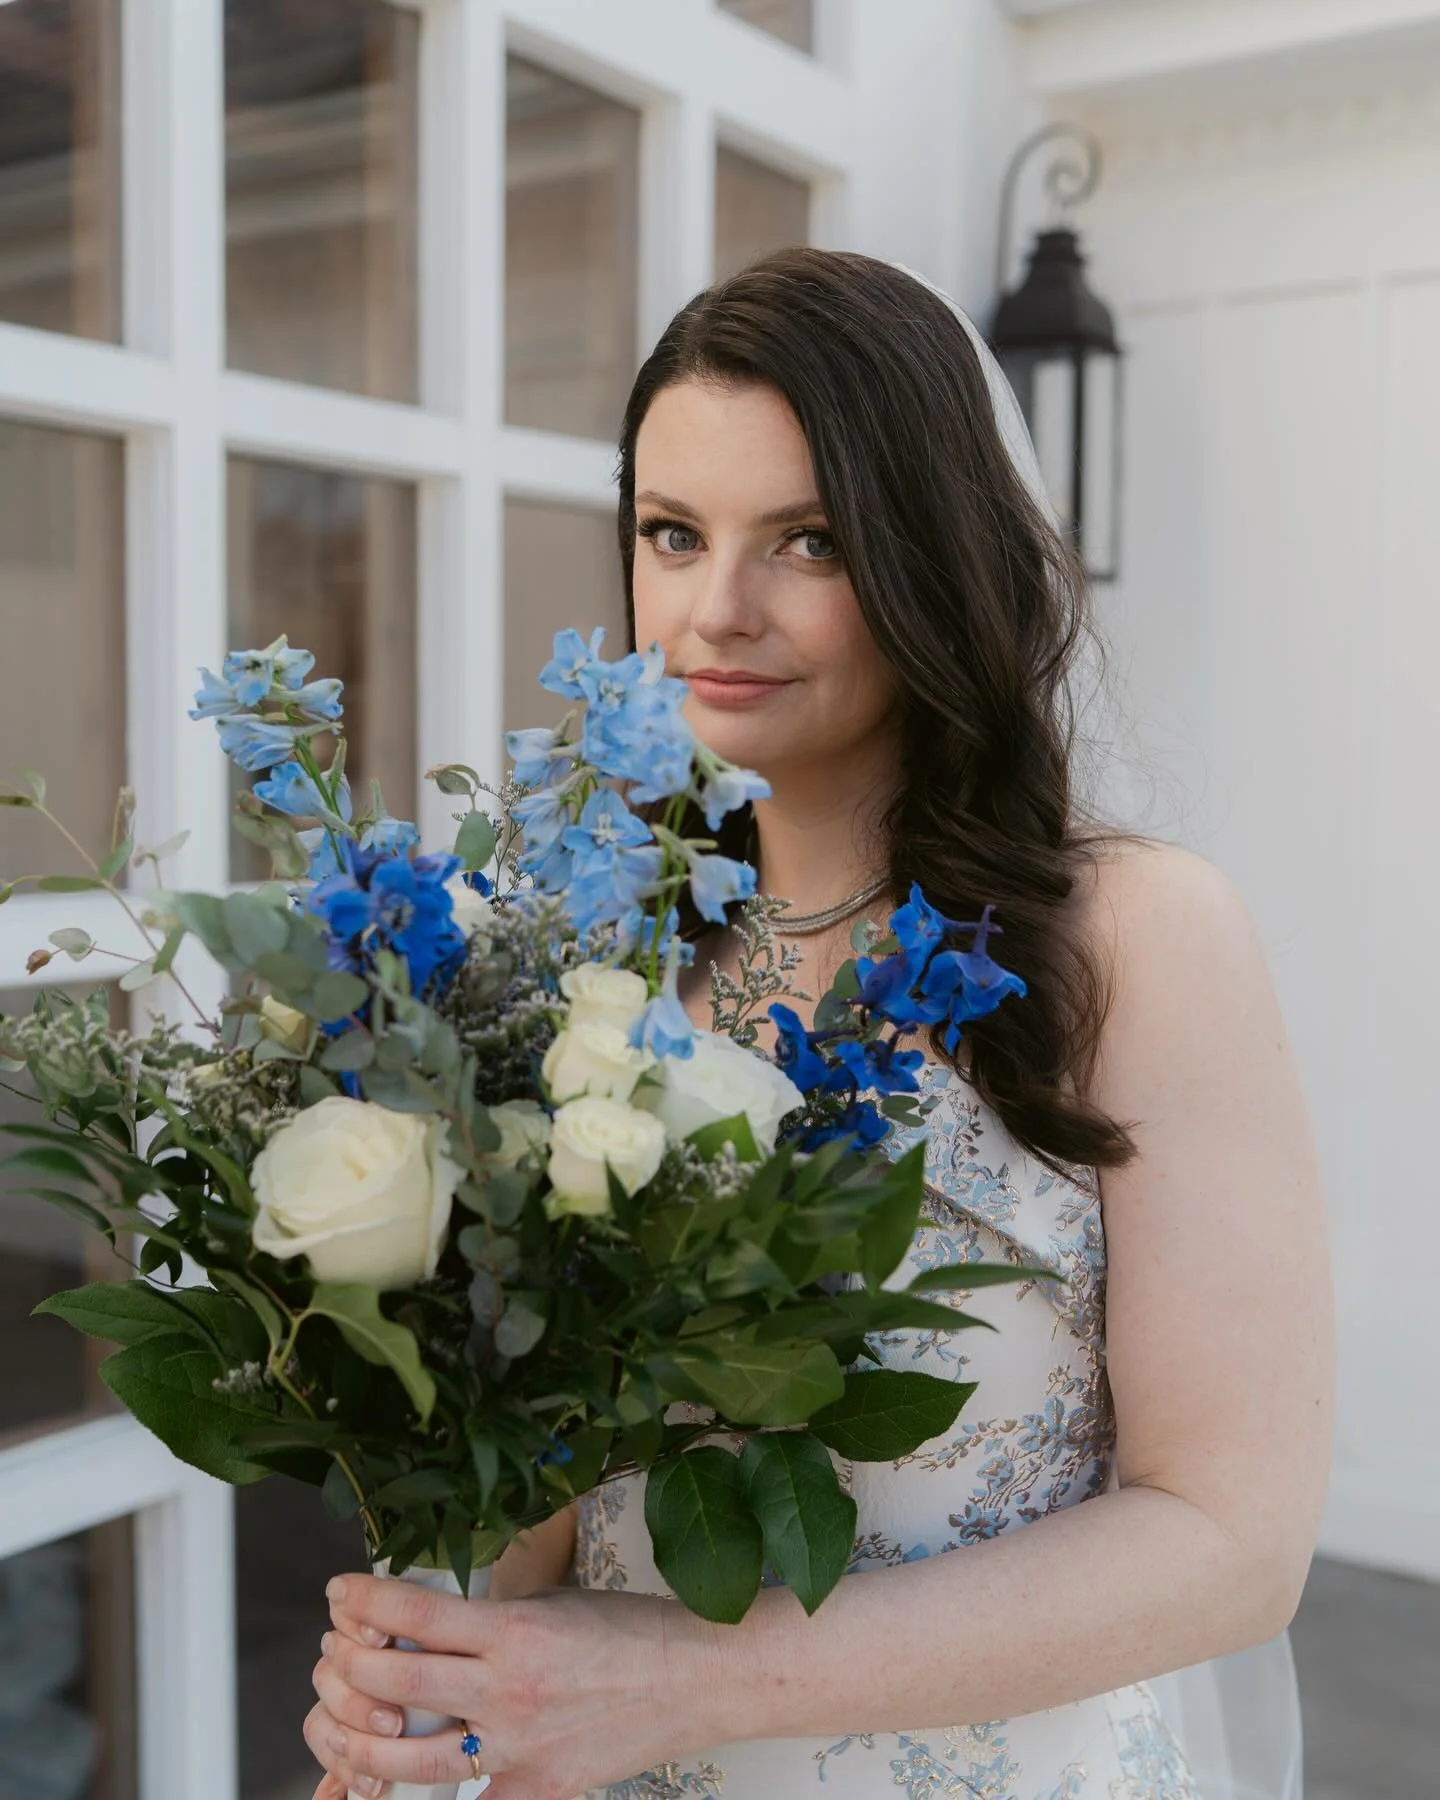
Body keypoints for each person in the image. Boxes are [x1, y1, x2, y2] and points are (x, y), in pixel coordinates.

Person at [302, 248, 1333, 1800]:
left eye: (807, 539)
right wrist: (420, 1675)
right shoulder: (576, 956)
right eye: (671, 533)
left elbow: (1231, 1546)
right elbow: (529, 1512)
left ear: (932, 554)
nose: (715, 609)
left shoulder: (1131, 938)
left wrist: (673, 1680)